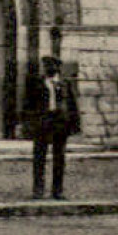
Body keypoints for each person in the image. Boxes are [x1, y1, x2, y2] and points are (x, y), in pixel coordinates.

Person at [29, 55, 82, 199]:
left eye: (52, 67)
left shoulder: (65, 84)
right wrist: (30, 125)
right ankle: (38, 190)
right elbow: (29, 106)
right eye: (46, 66)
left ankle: (57, 190)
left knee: (59, 158)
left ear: (58, 68)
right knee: (39, 157)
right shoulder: (37, 83)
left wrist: (75, 125)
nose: (49, 69)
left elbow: (73, 105)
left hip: (60, 124)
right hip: (42, 124)